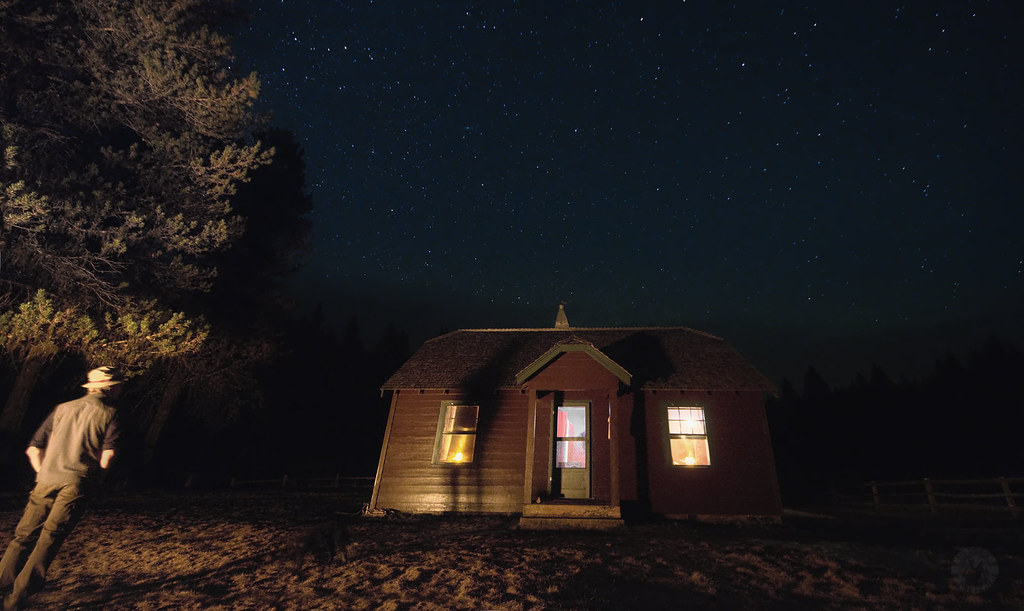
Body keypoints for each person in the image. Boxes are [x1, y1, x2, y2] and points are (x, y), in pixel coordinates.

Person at [0, 366, 123, 611]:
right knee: (50, 537)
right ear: (109, 388)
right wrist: (97, 478)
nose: (121, 389)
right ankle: (17, 597)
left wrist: (42, 473)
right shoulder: (110, 413)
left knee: (23, 536)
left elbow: (33, 449)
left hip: (46, 479)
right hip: (76, 481)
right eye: (119, 385)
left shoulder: (62, 409)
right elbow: (107, 456)